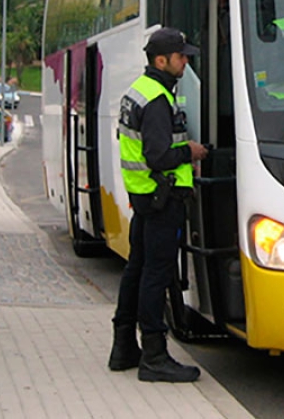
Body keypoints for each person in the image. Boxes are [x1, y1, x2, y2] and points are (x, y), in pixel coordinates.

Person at [108, 27, 209, 383]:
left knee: (137, 269)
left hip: (145, 197)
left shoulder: (142, 91)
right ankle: (154, 354)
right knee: (156, 272)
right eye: (181, 57)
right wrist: (191, 151)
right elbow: (159, 155)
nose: (186, 62)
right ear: (161, 60)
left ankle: (123, 346)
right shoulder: (156, 100)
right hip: (162, 196)